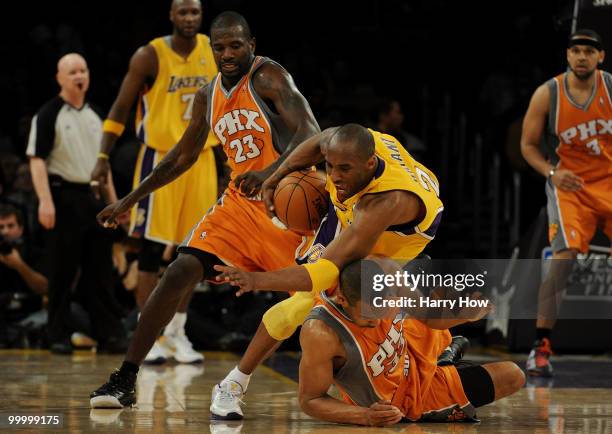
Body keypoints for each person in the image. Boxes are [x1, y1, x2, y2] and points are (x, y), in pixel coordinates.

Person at [89, 11, 320, 408]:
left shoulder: (268, 78)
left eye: (236, 45)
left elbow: (311, 132)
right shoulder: (207, 95)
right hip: (239, 206)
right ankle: (126, 377)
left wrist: (268, 172)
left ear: (251, 46)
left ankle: (416, 343)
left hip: (286, 202)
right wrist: (128, 200)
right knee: (179, 270)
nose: (227, 53)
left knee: (331, 293)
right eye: (220, 47)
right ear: (211, 49)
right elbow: (180, 158)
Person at [210, 123, 444, 419]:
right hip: (357, 222)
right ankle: (233, 382)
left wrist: (256, 280)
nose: (333, 176)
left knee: (356, 303)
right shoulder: (365, 145)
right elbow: (321, 140)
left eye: (344, 168)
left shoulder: (384, 203)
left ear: (370, 163)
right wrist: (276, 175)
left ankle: (437, 353)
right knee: (299, 307)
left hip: (391, 246)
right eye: (330, 166)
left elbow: (324, 271)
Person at [90, 0, 220, 364]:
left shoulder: (213, 50)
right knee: (149, 253)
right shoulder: (150, 55)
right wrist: (103, 156)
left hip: (202, 159)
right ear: (171, 15)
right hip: (159, 160)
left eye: (195, 12)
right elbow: (119, 107)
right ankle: (151, 334)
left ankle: (177, 332)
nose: (190, 18)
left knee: (196, 251)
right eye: (183, 12)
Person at [298, 257, 525, 426]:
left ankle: (443, 352)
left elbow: (427, 314)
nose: (377, 322)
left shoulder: (385, 269)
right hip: (407, 400)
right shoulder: (321, 333)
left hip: (409, 349)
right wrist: (365, 415)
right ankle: (445, 359)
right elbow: (310, 399)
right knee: (513, 374)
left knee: (424, 268)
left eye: (384, 309)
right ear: (342, 299)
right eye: (368, 317)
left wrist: (466, 316)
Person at [520, 29, 612, 377]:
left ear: (600, 56)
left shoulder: (610, 88)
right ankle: (540, 346)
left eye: (589, 50)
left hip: (609, 180)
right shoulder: (548, 93)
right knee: (563, 260)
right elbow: (527, 145)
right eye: (576, 50)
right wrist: (551, 172)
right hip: (570, 185)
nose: (582, 57)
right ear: (568, 55)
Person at [27, 53, 127, 354]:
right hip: (63, 197)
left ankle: (108, 334)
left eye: (83, 70)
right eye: (72, 72)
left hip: (95, 197)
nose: (79, 76)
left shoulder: (97, 114)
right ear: (59, 78)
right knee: (62, 271)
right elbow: (36, 161)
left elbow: (104, 164)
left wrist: (115, 203)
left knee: (101, 271)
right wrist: (45, 201)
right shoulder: (47, 114)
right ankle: (56, 334)